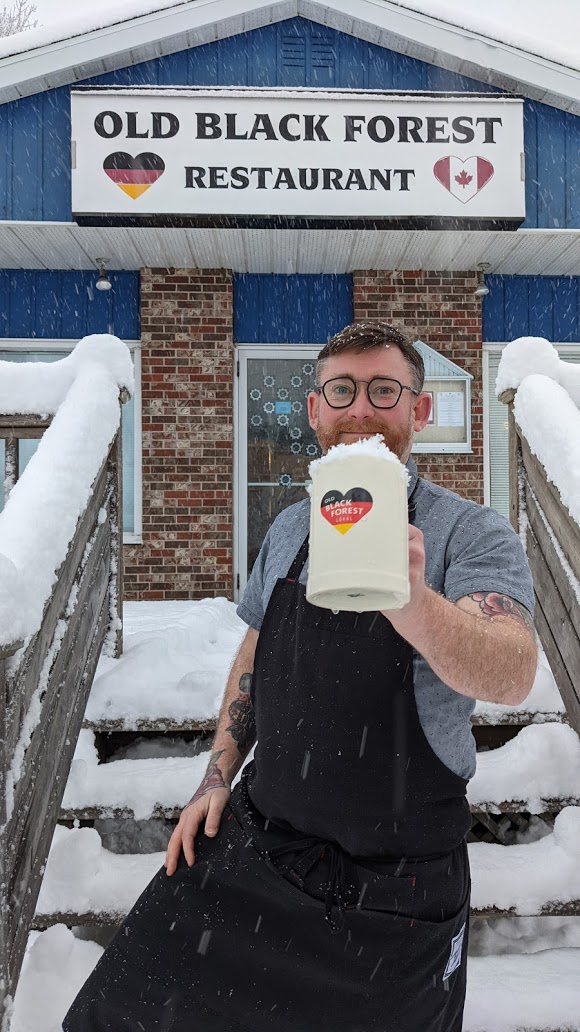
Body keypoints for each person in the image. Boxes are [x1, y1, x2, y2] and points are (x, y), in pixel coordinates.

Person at [63, 322, 537, 1032]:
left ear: (420, 410)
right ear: (314, 409)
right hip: (261, 852)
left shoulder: (469, 534)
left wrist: (415, 604)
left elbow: (512, 670)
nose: (360, 410)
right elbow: (255, 655)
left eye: (385, 390)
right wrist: (216, 776)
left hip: (394, 892)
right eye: (340, 390)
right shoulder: (288, 529)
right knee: (114, 1014)